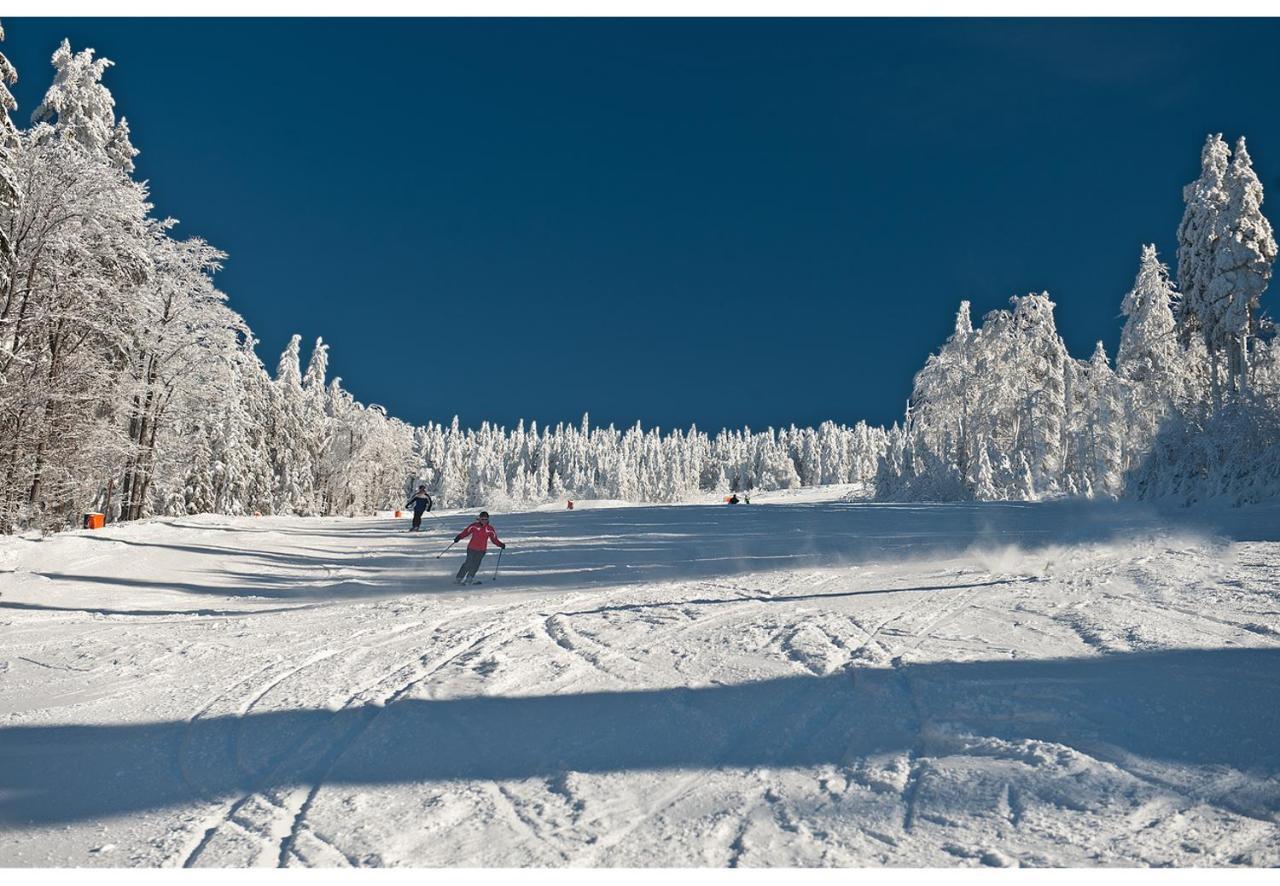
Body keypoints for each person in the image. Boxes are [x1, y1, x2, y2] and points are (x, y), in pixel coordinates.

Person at [454, 511, 505, 584]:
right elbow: (466, 532)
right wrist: (459, 537)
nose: (484, 521)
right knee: (468, 563)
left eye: (486, 519)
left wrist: (500, 544)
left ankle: (470, 578)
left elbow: (494, 539)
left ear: (488, 519)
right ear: (479, 519)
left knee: (476, 564)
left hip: (481, 550)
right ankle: (459, 578)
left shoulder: (490, 529)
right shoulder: (474, 526)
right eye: (482, 519)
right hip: (471, 548)